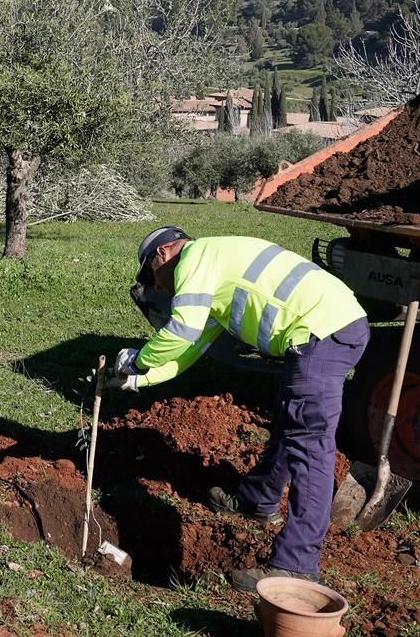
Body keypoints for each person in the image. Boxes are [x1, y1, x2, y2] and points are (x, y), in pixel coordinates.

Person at [103, 226, 369, 593]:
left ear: (162, 255)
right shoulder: (213, 269)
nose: (161, 289)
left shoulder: (194, 260)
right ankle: (257, 498)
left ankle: (297, 565)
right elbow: (188, 351)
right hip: (328, 326)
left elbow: (180, 333)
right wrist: (138, 380)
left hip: (321, 332)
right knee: (291, 421)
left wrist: (137, 361)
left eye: (153, 279)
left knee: (310, 447)